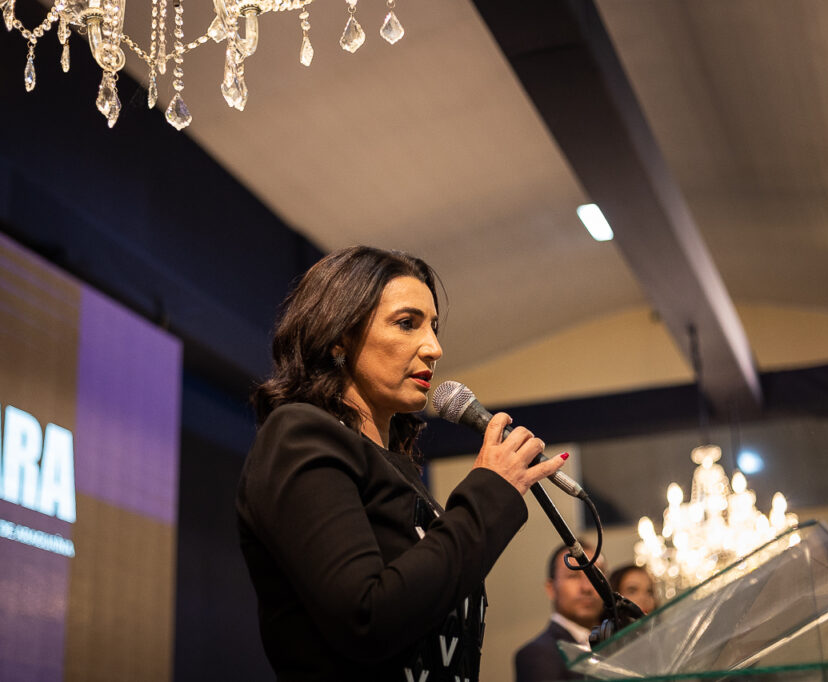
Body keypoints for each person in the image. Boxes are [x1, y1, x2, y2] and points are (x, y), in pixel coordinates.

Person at [235, 246, 568, 681]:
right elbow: (366, 618)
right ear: (339, 336)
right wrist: (488, 491)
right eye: (407, 323)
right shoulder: (299, 435)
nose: (435, 348)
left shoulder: (401, 472)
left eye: (434, 327)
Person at [514, 543, 606, 682]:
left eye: (595, 575)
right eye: (573, 576)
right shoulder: (537, 654)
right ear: (551, 588)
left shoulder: (616, 641)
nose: (587, 587)